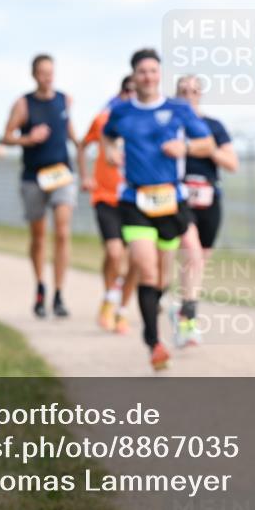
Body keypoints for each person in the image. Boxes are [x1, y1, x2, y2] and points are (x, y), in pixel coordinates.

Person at [101, 48, 215, 370]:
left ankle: (166, 310)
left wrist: (186, 146)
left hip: (170, 201)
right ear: (134, 77)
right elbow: (106, 137)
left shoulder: (177, 109)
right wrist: (111, 152)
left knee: (162, 276)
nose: (148, 77)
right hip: (134, 200)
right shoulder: (122, 112)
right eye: (142, 72)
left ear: (159, 75)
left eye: (153, 71)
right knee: (145, 267)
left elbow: (208, 144)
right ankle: (154, 342)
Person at [4, 54, 79, 319]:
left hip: (61, 174)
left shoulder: (64, 99)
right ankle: (40, 287)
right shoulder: (23, 104)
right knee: (38, 236)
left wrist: (80, 145)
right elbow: (7, 136)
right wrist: (28, 138)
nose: (48, 77)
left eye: (51, 72)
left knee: (62, 232)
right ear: (34, 75)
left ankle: (59, 293)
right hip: (34, 177)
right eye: (43, 73)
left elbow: (69, 130)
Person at [169, 74, 239, 348]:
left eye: (194, 91)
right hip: (179, 197)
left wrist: (207, 148)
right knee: (192, 254)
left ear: (201, 95)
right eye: (183, 91)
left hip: (209, 197)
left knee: (199, 260)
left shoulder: (213, 126)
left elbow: (231, 163)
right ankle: (189, 318)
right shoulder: (171, 125)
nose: (188, 95)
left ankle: (182, 307)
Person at [77, 75, 138, 333]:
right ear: (121, 92)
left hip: (136, 198)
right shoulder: (104, 120)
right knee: (114, 253)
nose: (132, 97)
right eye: (128, 91)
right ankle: (109, 298)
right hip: (105, 196)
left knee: (134, 258)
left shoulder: (145, 121)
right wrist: (85, 176)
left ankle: (122, 310)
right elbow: (82, 146)